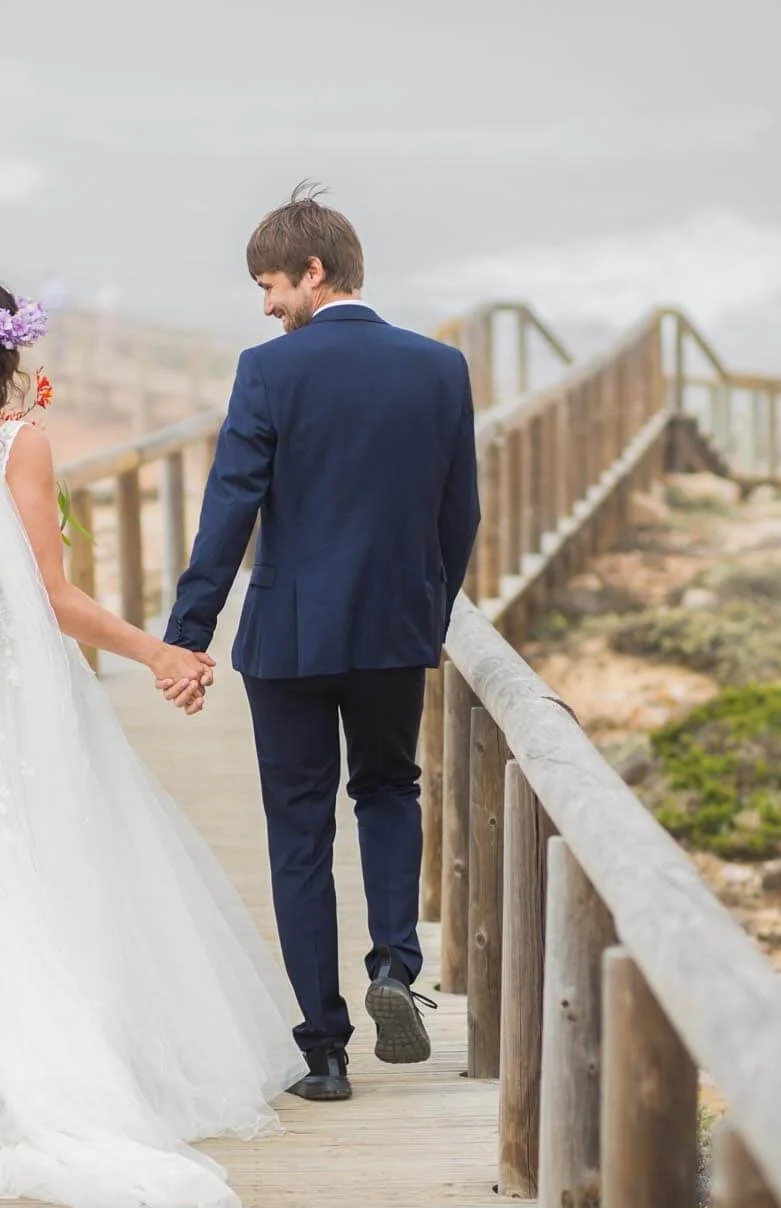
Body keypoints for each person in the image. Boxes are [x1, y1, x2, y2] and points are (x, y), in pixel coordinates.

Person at [0, 276, 306, 1208]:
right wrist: (160, 650)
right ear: (6, 355)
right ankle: (71, 1069)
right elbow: (50, 596)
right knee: (44, 857)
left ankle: (9, 1068)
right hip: (9, 673)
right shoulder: (21, 442)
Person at [164, 184, 481, 1102]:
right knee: (388, 789)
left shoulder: (269, 373)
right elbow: (458, 510)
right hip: (394, 629)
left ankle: (325, 1051)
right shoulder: (439, 369)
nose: (266, 306)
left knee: (299, 831)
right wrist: (430, 606)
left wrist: (189, 634)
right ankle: (395, 963)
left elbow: (230, 510)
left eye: (270, 284)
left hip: (289, 639)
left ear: (313, 271)